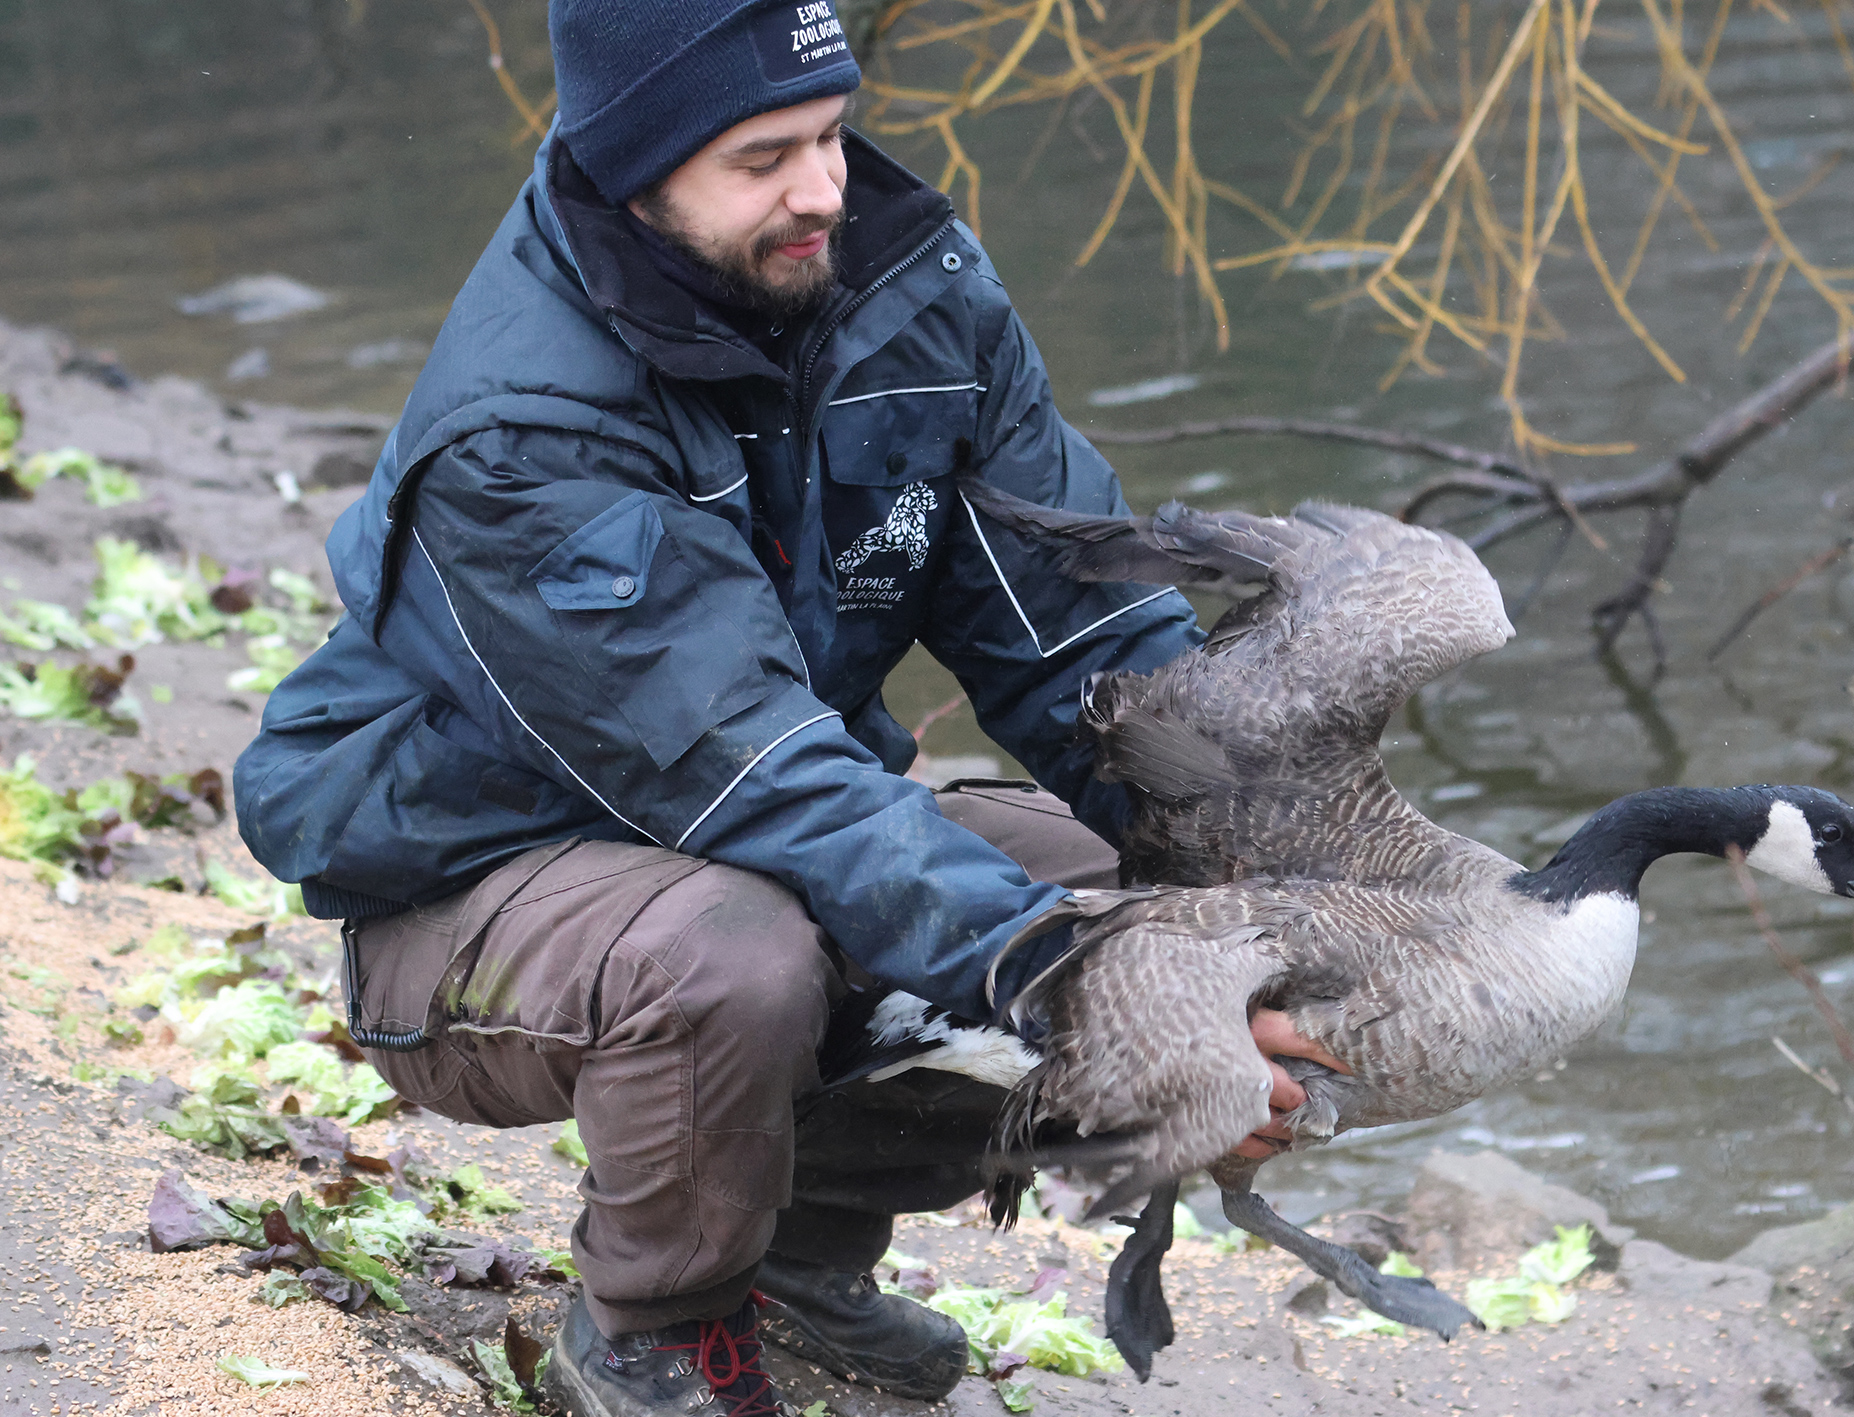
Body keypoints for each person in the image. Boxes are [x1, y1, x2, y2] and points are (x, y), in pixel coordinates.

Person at [234, 2, 1342, 1413]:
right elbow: (759, 780)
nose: (823, 189)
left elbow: (1087, 640)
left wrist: (1277, 878)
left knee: (1167, 903)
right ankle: (655, 1324)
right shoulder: (520, 434)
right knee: (742, 959)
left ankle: (796, 1262)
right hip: (475, 900)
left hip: (754, 826)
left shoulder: (916, 296)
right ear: (636, 172)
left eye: (830, 135)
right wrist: (1089, 996)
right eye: (761, 158)